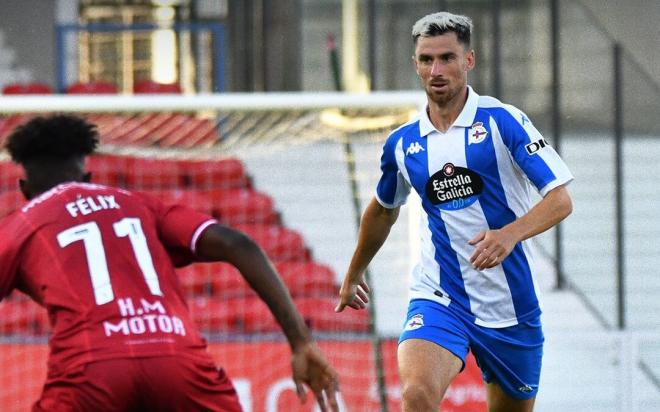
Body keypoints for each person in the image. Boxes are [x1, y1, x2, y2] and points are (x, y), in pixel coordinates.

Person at [0, 114, 340, 412]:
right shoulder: (137, 203)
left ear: (25, 189)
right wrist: (301, 341)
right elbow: (240, 244)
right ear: (87, 177)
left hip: (91, 367)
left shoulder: (22, 224)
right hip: (176, 356)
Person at [335, 11, 573, 412]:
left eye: (447, 58)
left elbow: (560, 199)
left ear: (469, 61)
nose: (436, 69)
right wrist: (354, 271)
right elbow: (382, 210)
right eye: (426, 60)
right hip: (440, 295)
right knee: (416, 395)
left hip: (509, 307)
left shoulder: (504, 122)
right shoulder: (403, 144)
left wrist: (509, 233)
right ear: (416, 65)